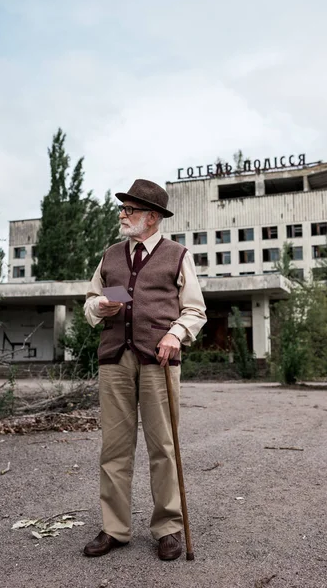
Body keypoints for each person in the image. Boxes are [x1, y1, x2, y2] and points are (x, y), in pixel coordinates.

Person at [83, 179, 207, 561]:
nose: (123, 215)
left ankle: (168, 528)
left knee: (163, 447)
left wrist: (176, 334)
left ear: (151, 218)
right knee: (114, 449)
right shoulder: (111, 255)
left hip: (160, 360)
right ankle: (115, 528)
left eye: (130, 210)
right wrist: (99, 308)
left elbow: (195, 310)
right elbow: (90, 302)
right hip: (115, 359)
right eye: (122, 209)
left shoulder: (177, 255)